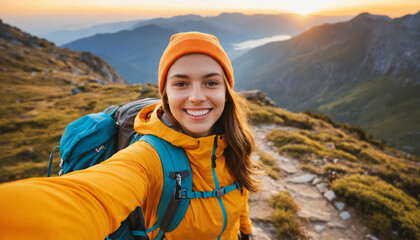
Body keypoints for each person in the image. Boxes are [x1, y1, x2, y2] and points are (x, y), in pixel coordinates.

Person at [0, 32, 261, 239]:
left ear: (226, 92)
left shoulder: (236, 141)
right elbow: (89, 195)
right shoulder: (148, 157)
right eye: (181, 83)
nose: (196, 96)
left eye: (211, 82)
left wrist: (246, 231)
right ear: (166, 94)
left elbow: (240, 192)